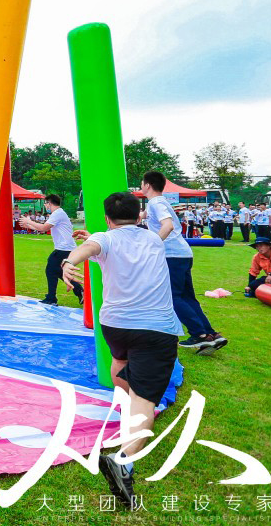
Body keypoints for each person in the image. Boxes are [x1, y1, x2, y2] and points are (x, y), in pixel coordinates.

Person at [60, 191, 184, 509]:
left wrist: (70, 261)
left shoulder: (105, 239)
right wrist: (87, 246)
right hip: (154, 328)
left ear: (107, 218)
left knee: (119, 360)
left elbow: (92, 247)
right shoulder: (153, 240)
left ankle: (130, 409)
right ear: (140, 215)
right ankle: (123, 460)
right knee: (145, 402)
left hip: (115, 324)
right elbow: (122, 241)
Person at [140, 172, 226, 354]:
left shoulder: (156, 203)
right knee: (187, 297)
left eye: (142, 183)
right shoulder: (158, 202)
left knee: (174, 297)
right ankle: (211, 334)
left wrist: (153, 246)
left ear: (147, 185)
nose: (141, 186)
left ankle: (199, 334)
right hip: (182, 254)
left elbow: (168, 225)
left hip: (172, 255)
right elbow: (142, 215)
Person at [17, 194, 82, 305]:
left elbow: (44, 227)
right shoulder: (58, 213)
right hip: (65, 248)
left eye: (45, 204)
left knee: (51, 269)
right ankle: (77, 291)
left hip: (65, 248)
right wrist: (29, 226)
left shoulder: (58, 213)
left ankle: (53, 298)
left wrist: (28, 221)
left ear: (49, 203)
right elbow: (43, 229)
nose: (45, 206)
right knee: (56, 271)